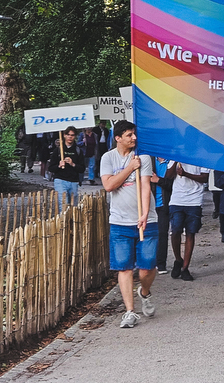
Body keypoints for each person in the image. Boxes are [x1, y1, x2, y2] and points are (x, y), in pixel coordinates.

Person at [99, 120, 157, 328]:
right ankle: (130, 312)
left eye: (134, 134)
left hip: (145, 220)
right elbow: (109, 185)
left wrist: (144, 214)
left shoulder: (143, 157)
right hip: (119, 222)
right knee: (123, 268)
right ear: (118, 138)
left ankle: (145, 292)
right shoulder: (108, 158)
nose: (134, 138)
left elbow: (145, 186)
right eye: (129, 135)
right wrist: (130, 168)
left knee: (147, 267)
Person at [168, 161, 210, 281]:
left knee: (190, 233)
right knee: (175, 230)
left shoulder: (201, 156)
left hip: (194, 200)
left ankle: (185, 268)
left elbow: (204, 178)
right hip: (177, 199)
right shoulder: (175, 157)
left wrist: (186, 174)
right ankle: (178, 259)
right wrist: (175, 160)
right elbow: (168, 175)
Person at [149, 157, 174, 273]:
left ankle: (161, 264)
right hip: (149, 203)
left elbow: (172, 185)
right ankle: (147, 263)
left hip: (165, 203)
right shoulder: (149, 160)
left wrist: (158, 180)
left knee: (162, 233)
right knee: (147, 233)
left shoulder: (172, 162)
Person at [49, 127, 85, 205]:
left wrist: (73, 164)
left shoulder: (78, 151)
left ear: (75, 136)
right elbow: (51, 168)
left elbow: (82, 169)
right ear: (64, 135)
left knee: (73, 205)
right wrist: (59, 166)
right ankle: (63, 217)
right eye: (68, 135)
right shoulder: (58, 150)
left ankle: (72, 217)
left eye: (72, 135)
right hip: (60, 180)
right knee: (63, 203)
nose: (70, 137)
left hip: (73, 181)